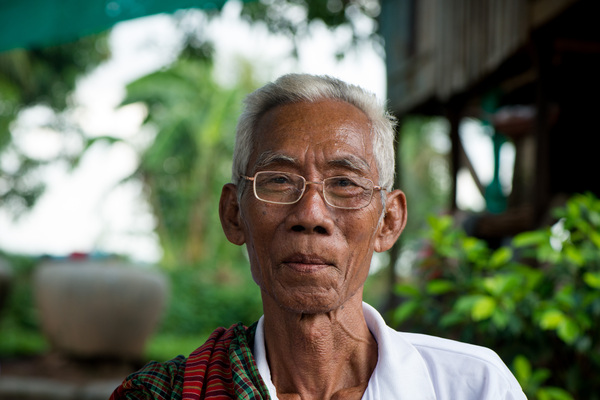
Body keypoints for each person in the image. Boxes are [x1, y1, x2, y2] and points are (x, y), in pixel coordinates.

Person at [111, 74, 526, 400]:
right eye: (278, 180)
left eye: (345, 183)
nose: (310, 215)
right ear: (234, 214)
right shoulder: (163, 394)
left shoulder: (472, 387)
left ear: (389, 221)